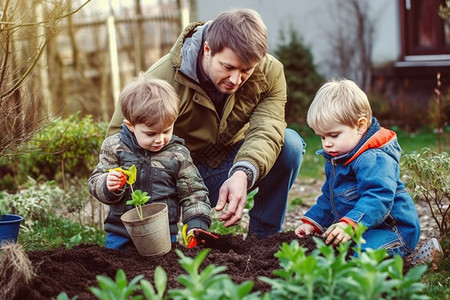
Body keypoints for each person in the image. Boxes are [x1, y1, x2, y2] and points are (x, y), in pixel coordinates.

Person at [107, 8, 305, 239]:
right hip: (178, 178)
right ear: (207, 49)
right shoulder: (162, 79)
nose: (235, 80)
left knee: (289, 144)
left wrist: (243, 172)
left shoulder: (269, 73)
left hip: (232, 163)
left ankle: (265, 239)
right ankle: (160, 236)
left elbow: (268, 129)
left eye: (246, 70)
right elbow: (117, 138)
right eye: (228, 67)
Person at [295, 78, 420, 257]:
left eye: (333, 135)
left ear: (360, 125)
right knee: (330, 251)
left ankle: (417, 256)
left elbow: (377, 197)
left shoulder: (373, 158)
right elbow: (329, 198)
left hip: (393, 232)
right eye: (322, 137)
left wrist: (350, 224)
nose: (327, 144)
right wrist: (313, 223)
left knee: (358, 256)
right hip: (361, 229)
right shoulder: (338, 158)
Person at [88, 74, 211, 249]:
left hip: (163, 234)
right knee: (120, 272)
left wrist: (196, 225)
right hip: (121, 233)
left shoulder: (178, 154)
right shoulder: (115, 147)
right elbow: (95, 181)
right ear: (131, 126)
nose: (160, 139)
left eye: (166, 131)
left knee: (162, 271)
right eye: (151, 134)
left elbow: (194, 192)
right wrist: (107, 184)